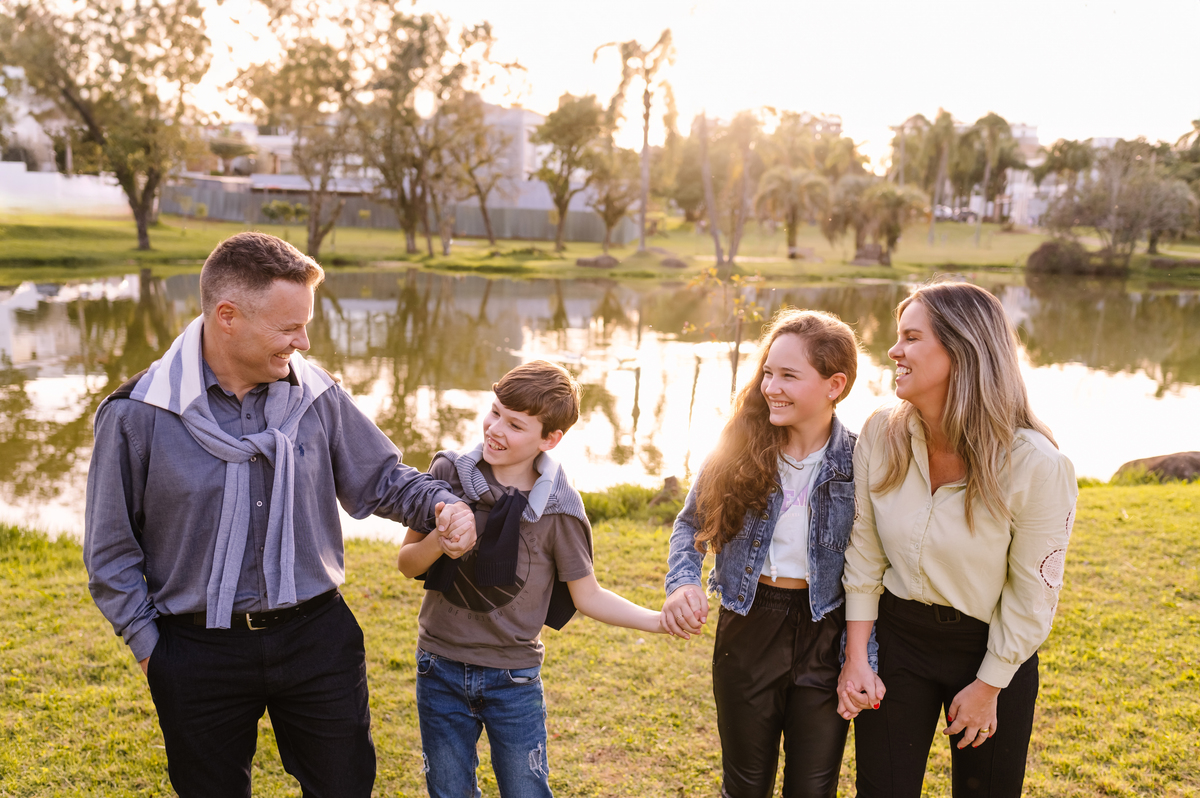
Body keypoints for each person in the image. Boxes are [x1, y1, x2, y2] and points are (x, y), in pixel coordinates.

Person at [83, 232, 475, 798]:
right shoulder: (137, 414)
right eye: (289, 328)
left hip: (317, 638)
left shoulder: (317, 395)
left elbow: (382, 478)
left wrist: (443, 503)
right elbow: (111, 552)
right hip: (196, 650)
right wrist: (152, 650)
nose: (306, 342)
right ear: (228, 317)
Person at [837, 281, 1078, 798]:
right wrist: (858, 656)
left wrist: (990, 684)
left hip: (988, 652)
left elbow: (1034, 592)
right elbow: (864, 551)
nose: (894, 351)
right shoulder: (883, 432)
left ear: (962, 349)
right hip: (897, 642)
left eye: (911, 338)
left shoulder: (1037, 465)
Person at [398, 360, 667, 798]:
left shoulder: (559, 510)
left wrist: (658, 621)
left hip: (514, 679)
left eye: (515, 424)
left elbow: (588, 596)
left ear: (550, 438)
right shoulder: (447, 475)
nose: (495, 429)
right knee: (447, 791)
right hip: (439, 668)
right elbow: (409, 563)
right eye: (495, 411)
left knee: (527, 790)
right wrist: (440, 543)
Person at [661, 308, 863, 798]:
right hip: (748, 626)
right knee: (745, 786)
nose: (771, 386)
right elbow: (690, 525)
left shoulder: (862, 461)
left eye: (789, 376)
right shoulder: (739, 445)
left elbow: (876, 566)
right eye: (768, 372)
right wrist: (684, 582)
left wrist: (865, 656)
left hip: (826, 631)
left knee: (813, 789)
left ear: (834, 384)